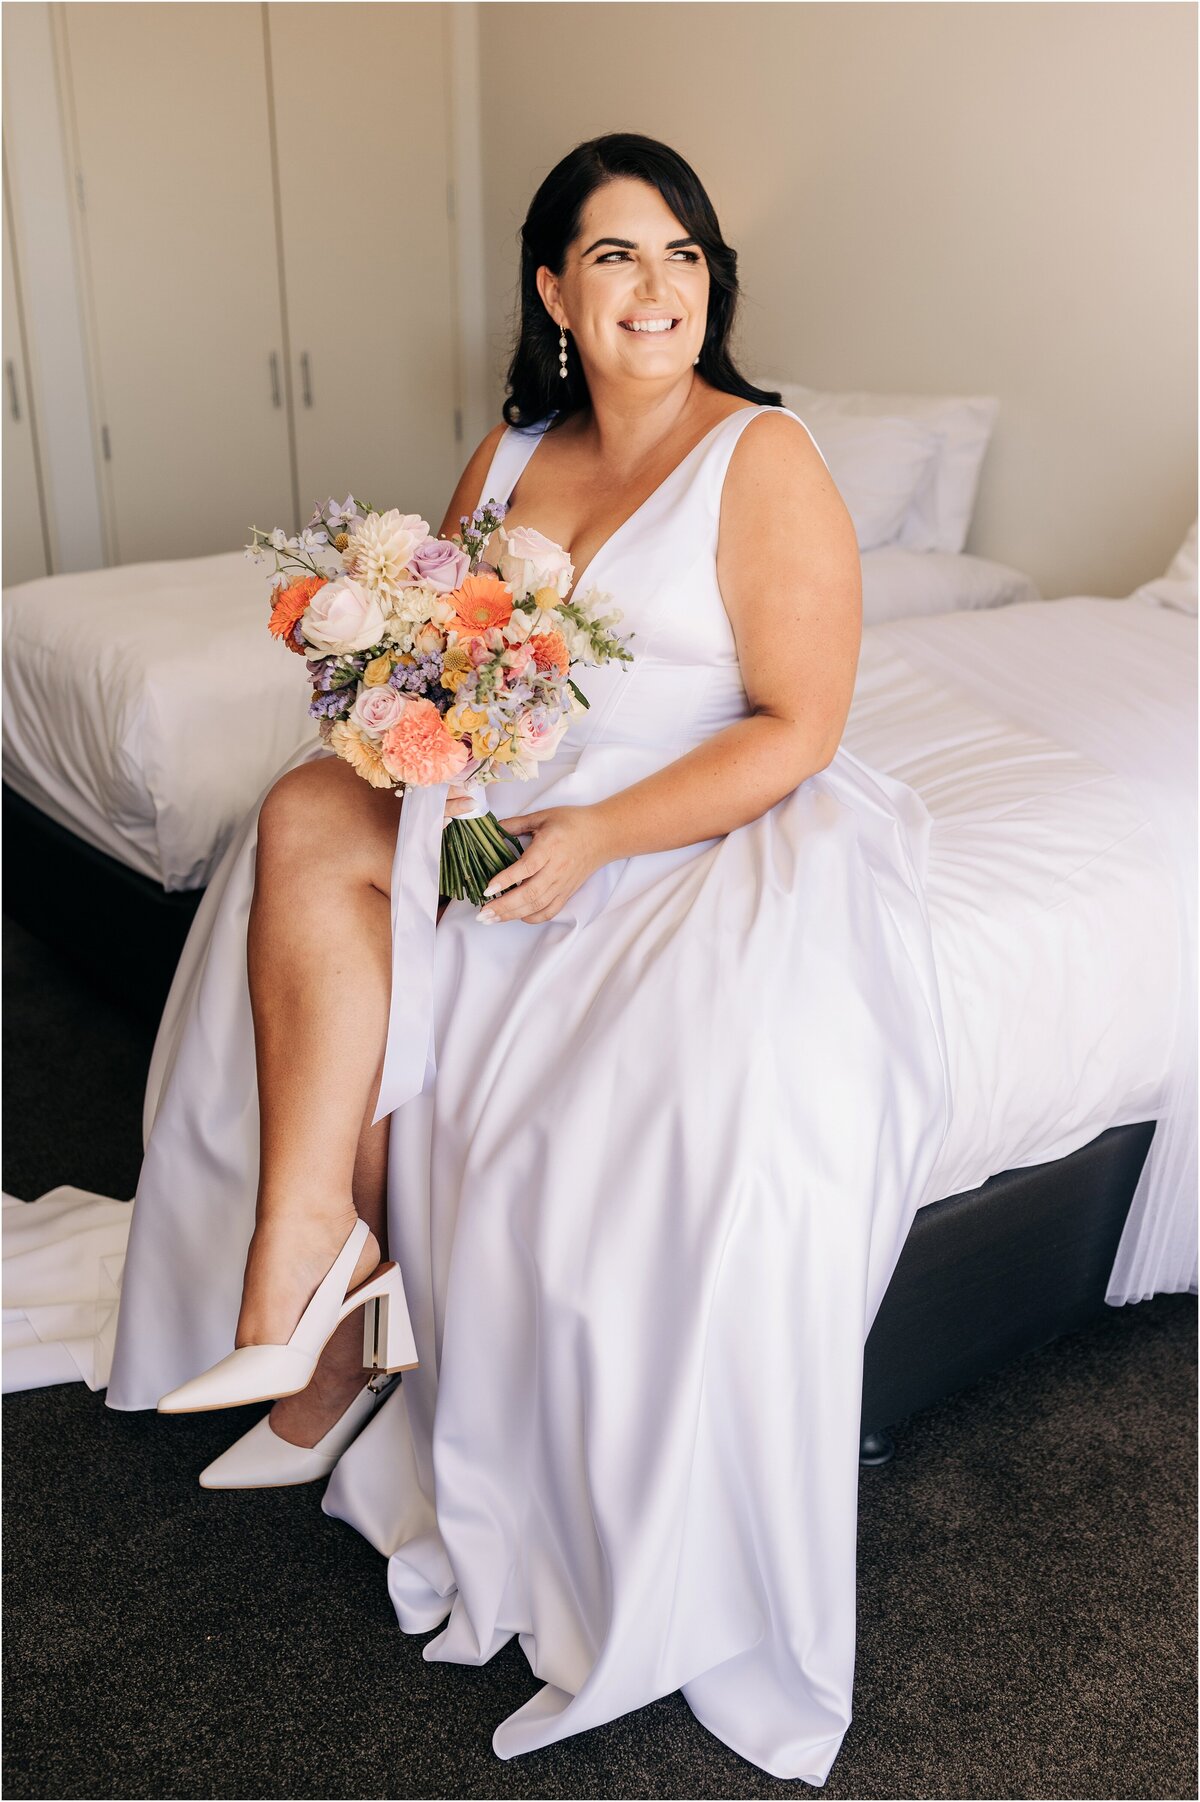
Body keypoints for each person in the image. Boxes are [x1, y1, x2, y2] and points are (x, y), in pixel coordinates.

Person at [107, 133, 951, 1783]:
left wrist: (594, 835)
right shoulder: (515, 445)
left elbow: (803, 725)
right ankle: (323, 1264)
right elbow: (439, 649)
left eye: (685, 254)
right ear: (555, 290)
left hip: (671, 822)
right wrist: (415, 740)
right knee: (300, 813)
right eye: (618, 257)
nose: (660, 288)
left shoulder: (762, 458)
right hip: (503, 794)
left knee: (322, 854)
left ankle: (322, 1316)